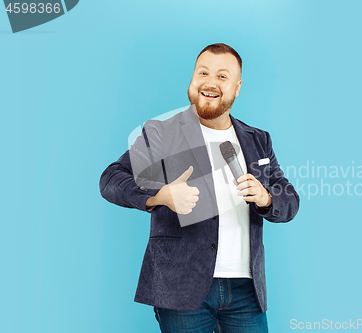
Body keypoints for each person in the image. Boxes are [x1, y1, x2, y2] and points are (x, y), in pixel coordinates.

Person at [99, 43, 300, 333]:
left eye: (222, 76)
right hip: (182, 288)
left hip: (246, 290)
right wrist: (159, 197)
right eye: (203, 72)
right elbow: (111, 178)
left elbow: (290, 200)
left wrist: (266, 197)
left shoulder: (258, 140)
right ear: (192, 79)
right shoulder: (161, 133)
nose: (210, 82)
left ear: (237, 87)